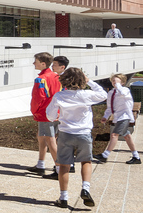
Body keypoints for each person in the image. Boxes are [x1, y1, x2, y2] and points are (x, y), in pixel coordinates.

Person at [45, 67, 107, 208]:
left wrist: (56, 117)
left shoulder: (59, 96)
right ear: (82, 80)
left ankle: (63, 197)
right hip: (84, 133)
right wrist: (90, 81)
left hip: (66, 134)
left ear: (64, 80)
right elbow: (103, 94)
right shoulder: (87, 95)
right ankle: (85, 188)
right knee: (86, 161)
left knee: (64, 166)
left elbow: (50, 116)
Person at [28, 51, 62, 178]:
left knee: (50, 139)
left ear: (43, 64)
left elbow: (37, 98)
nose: (33, 63)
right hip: (56, 112)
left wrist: (34, 112)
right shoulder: (57, 77)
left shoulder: (40, 79)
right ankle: (40, 165)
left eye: (35, 61)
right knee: (42, 137)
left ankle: (59, 169)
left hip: (44, 113)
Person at [94, 73, 140, 164]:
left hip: (125, 116)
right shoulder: (111, 93)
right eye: (112, 81)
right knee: (127, 136)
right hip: (118, 117)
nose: (114, 82)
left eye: (116, 80)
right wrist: (105, 116)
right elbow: (110, 107)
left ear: (122, 82)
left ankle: (105, 155)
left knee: (114, 135)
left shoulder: (125, 90)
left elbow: (122, 93)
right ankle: (136, 157)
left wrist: (118, 85)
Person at [51, 55, 75, 176]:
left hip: (65, 114)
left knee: (62, 140)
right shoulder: (62, 77)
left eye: (54, 64)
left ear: (62, 67)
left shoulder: (66, 80)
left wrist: (58, 113)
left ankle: (67, 166)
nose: (52, 66)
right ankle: (69, 164)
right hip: (63, 113)